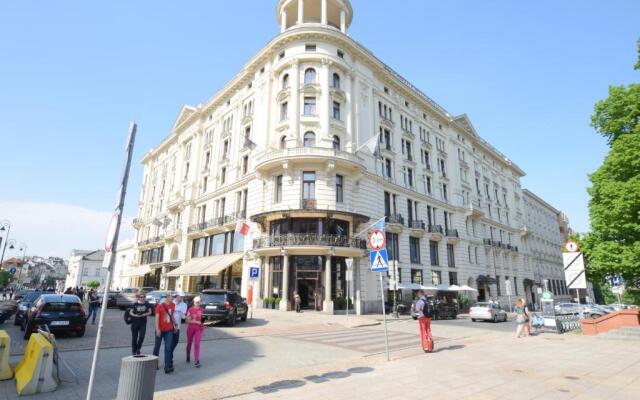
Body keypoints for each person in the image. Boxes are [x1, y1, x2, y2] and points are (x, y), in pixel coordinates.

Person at [154, 293, 176, 373]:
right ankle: (154, 364)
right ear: (167, 297)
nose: (172, 298)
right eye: (171, 297)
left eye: (173, 297)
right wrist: (157, 329)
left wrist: (175, 324)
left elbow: (172, 316)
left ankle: (167, 367)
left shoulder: (173, 305)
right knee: (157, 347)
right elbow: (156, 319)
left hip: (169, 330)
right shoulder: (159, 306)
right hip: (160, 329)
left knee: (168, 347)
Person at [186, 296, 205, 368]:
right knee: (189, 343)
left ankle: (196, 360)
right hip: (190, 328)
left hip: (198, 329)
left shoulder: (202, 310)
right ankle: (188, 355)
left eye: (199, 302)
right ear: (194, 302)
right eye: (197, 302)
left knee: (197, 344)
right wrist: (195, 321)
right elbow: (187, 321)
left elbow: (203, 320)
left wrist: (203, 324)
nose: (198, 303)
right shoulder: (190, 310)